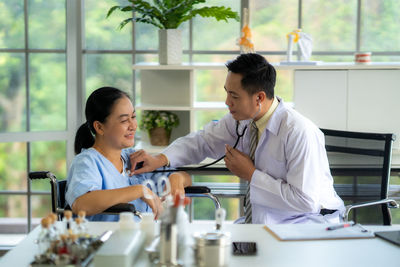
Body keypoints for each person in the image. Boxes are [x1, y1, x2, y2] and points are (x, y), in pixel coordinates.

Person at [129, 53, 345, 224]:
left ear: (259, 97)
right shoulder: (241, 120)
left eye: (234, 96)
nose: (226, 102)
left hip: (307, 224)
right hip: (266, 222)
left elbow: (306, 202)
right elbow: (202, 142)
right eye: (226, 93)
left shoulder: (299, 132)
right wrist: (161, 159)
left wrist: (251, 174)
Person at [65, 87, 191, 221]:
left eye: (133, 117)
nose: (133, 126)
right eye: (124, 120)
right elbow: (82, 204)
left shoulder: (133, 158)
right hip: (105, 239)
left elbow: (186, 178)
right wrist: (139, 191)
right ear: (99, 127)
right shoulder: (86, 162)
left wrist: (176, 178)